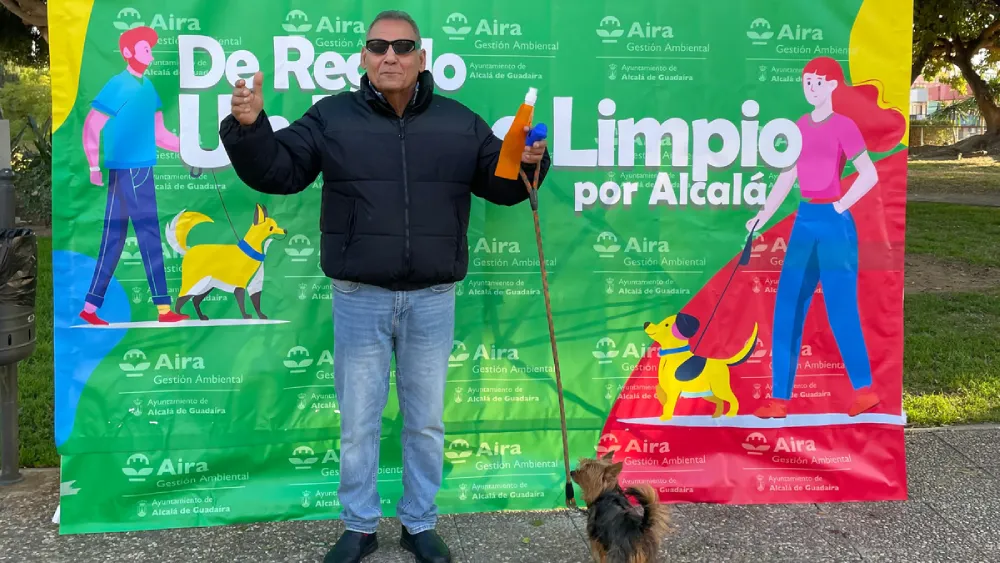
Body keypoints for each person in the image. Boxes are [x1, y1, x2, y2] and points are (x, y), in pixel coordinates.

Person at [219, 10, 550, 563]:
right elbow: (279, 171)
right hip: (358, 298)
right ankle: (359, 526)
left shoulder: (458, 122)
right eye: (378, 46)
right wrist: (252, 129)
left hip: (432, 300)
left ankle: (419, 524)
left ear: (422, 59)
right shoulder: (330, 118)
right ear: (363, 59)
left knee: (424, 422)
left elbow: (503, 180)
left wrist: (531, 162)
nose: (390, 56)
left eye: (402, 47)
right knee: (359, 422)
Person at [746, 56, 905, 419]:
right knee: (787, 307)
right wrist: (762, 216)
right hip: (804, 221)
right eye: (807, 82)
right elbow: (786, 177)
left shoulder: (844, 126)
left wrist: (840, 205)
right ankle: (779, 400)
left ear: (833, 85)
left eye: (818, 81)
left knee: (840, 308)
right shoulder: (800, 126)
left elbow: (868, 174)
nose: (811, 87)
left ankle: (864, 391)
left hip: (833, 225)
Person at [80, 26, 189, 325]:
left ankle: (90, 307)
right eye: (145, 49)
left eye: (151, 50)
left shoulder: (147, 87)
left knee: (114, 238)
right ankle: (164, 310)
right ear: (128, 53)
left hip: (130, 171)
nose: (150, 54)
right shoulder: (118, 85)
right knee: (149, 236)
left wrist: (189, 149)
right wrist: (92, 165)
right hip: (134, 172)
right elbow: (92, 124)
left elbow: (160, 134)